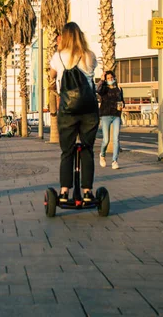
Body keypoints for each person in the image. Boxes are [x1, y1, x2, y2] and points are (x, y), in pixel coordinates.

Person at [49, 22, 99, 203]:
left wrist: (58, 48)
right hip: (89, 109)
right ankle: (87, 191)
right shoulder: (90, 55)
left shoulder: (58, 56)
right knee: (87, 149)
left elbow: (52, 75)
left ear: (64, 37)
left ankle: (63, 192)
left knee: (67, 151)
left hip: (68, 110)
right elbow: (91, 74)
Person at [97, 70, 124, 170]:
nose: (110, 80)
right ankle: (102, 155)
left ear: (114, 78)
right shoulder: (104, 89)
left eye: (111, 78)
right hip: (106, 115)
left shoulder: (119, 88)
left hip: (116, 115)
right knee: (106, 140)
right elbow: (98, 90)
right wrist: (102, 80)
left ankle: (114, 161)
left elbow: (122, 100)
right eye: (108, 78)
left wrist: (121, 105)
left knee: (116, 139)